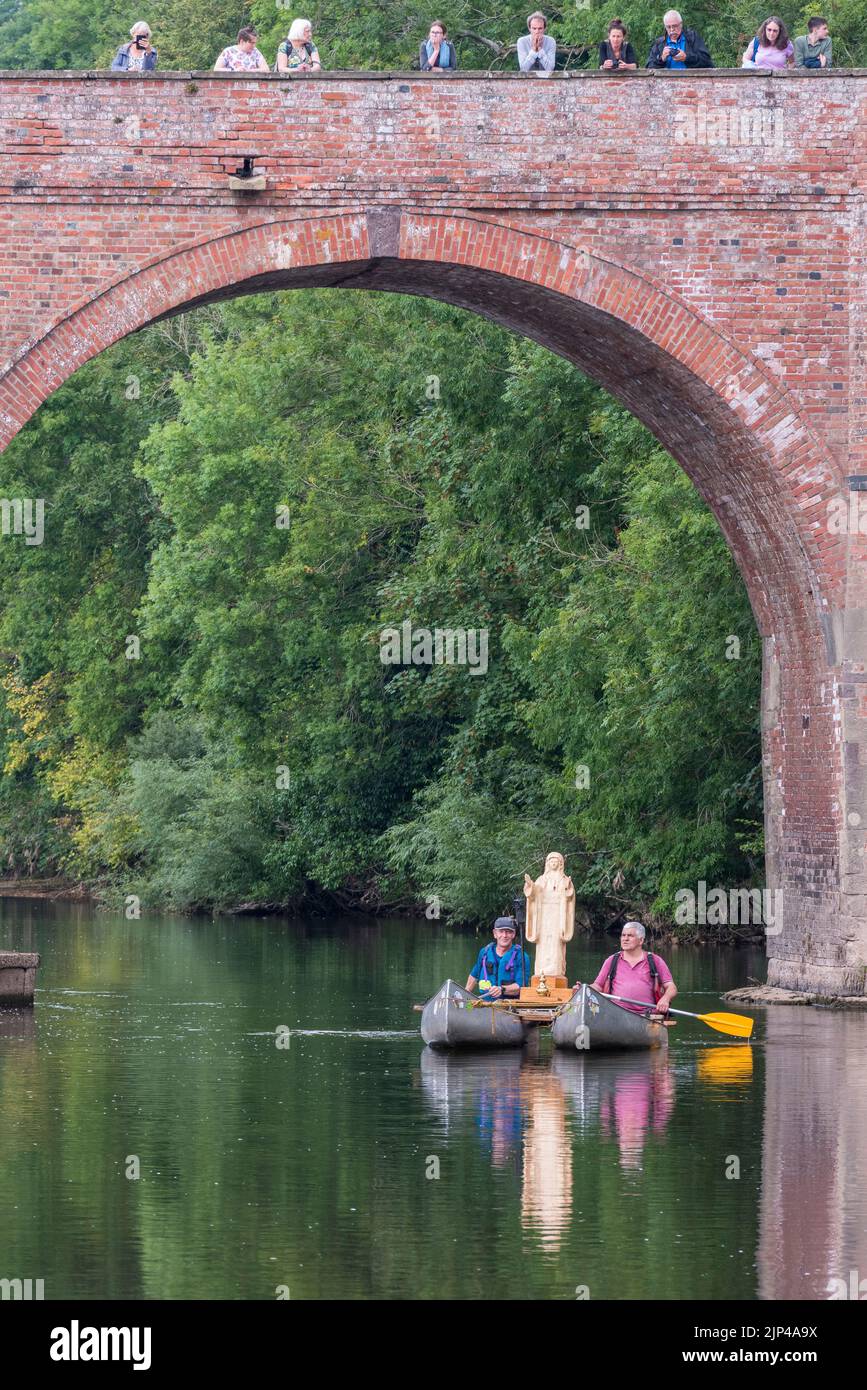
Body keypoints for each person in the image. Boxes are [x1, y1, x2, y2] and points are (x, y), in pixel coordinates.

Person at [575, 921, 677, 1016]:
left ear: (641, 940)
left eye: (630, 936)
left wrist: (666, 998)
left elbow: (671, 987)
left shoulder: (655, 960)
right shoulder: (611, 960)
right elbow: (598, 986)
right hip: (616, 1014)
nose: (625, 939)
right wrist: (584, 989)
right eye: (623, 935)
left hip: (647, 1015)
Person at [465, 917, 532, 1001]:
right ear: (495, 933)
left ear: (513, 934)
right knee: (467, 1007)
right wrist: (465, 994)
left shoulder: (522, 957)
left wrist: (502, 989)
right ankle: (464, 1008)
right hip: (484, 1003)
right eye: (501, 931)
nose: (504, 935)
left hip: (509, 1006)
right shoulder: (484, 952)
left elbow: (521, 987)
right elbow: (474, 976)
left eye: (508, 932)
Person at [646, 10, 712, 69]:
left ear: (681, 24)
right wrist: (661, 59)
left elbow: (707, 61)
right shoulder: (659, 43)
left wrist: (686, 58)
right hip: (666, 81)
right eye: (668, 27)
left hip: (692, 81)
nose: (672, 30)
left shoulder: (692, 38)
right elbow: (649, 67)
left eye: (674, 26)